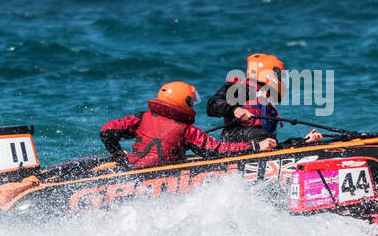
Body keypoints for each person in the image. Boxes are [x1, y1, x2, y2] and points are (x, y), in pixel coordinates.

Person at [100, 81, 277, 168]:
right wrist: (255, 146)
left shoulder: (141, 118)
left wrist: (117, 154)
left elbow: (107, 131)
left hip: (130, 168)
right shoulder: (187, 130)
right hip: (161, 175)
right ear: (184, 102)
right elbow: (216, 151)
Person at [206, 52, 324, 146]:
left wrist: (303, 142)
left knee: (269, 140)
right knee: (263, 136)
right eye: (280, 76)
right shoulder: (242, 88)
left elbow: (273, 144)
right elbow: (212, 105)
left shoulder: (269, 104)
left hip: (257, 145)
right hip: (233, 142)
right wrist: (234, 110)